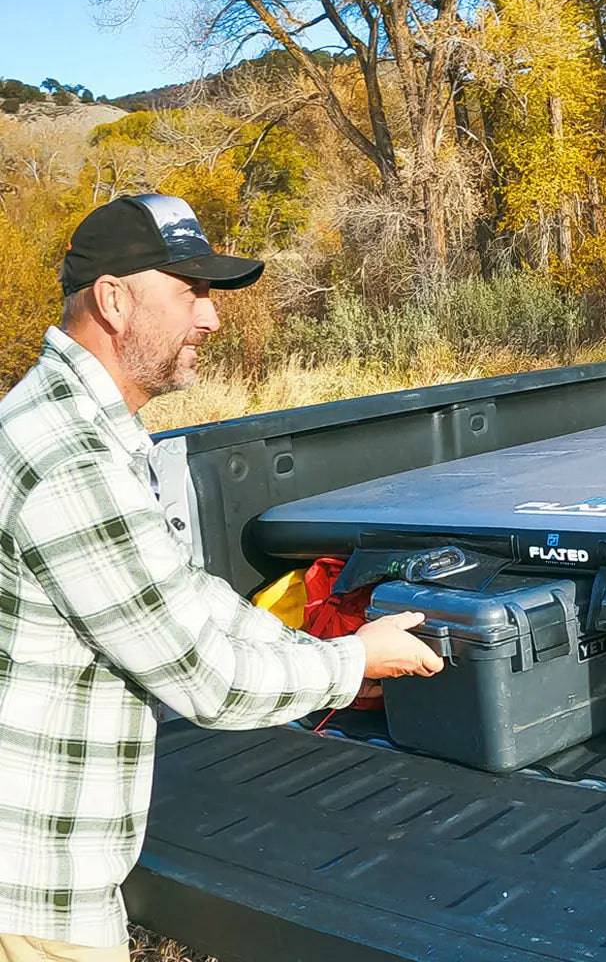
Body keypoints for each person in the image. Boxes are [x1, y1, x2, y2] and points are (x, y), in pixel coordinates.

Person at [0, 194, 444, 962]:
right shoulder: (72, 459)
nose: (210, 318)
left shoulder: (82, 424)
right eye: (190, 291)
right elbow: (207, 680)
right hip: (40, 885)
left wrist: (310, 636)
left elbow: (184, 592)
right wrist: (352, 663)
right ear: (113, 299)